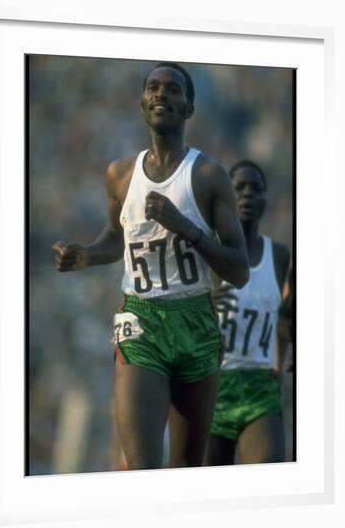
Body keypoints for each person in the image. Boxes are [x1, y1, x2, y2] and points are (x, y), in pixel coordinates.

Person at [52, 62, 249, 470]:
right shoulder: (119, 175)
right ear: (142, 103)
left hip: (196, 321)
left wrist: (186, 228)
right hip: (141, 322)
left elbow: (238, 269)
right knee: (143, 470)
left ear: (190, 108)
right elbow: (115, 238)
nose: (161, 94)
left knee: (185, 474)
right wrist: (87, 254)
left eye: (173, 89)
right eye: (153, 88)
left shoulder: (209, 176)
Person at [203, 160, 291, 466]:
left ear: (267, 198)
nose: (248, 195)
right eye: (239, 188)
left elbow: (287, 317)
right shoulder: (209, 253)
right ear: (225, 195)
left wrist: (284, 358)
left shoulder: (280, 257)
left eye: (257, 188)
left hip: (260, 390)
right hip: (212, 389)